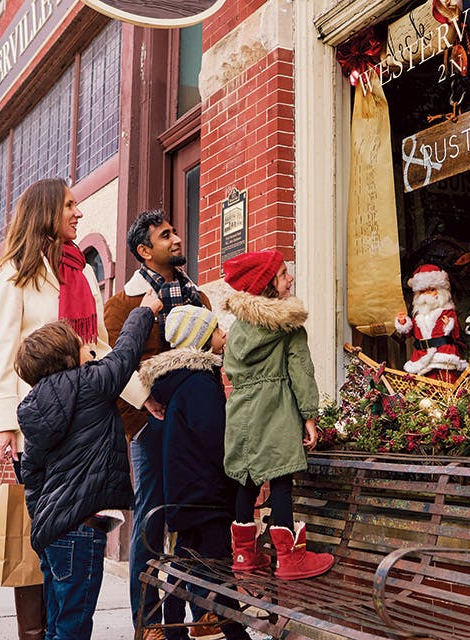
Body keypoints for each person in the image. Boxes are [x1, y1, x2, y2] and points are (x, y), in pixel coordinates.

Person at [0, 177, 151, 640]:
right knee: (49, 531)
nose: (79, 213)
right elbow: (2, 352)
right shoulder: (14, 272)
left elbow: (98, 348)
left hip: (81, 420)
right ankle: (39, 631)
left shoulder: (80, 273)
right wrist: (3, 426)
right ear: (47, 213)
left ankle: (59, 629)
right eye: (70, 205)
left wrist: (142, 396)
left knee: (69, 530)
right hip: (36, 424)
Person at [15, 292, 162, 640]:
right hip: (80, 531)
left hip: (51, 533)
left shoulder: (34, 406)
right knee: (74, 627)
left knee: (58, 624)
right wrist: (145, 310)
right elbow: (125, 354)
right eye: (84, 346)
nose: (92, 350)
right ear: (67, 357)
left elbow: (31, 475)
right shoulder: (90, 384)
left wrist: (44, 517)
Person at [103, 209, 211, 636]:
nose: (177, 239)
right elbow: (116, 364)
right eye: (166, 236)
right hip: (151, 429)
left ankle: (198, 612)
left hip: (197, 428)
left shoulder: (197, 297)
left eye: (175, 232)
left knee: (197, 516)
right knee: (151, 520)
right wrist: (144, 405)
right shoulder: (123, 303)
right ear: (145, 251)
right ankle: (147, 622)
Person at [221, 250, 335, 581]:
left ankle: (244, 554)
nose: (291, 278)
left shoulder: (239, 327)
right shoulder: (288, 327)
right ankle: (289, 558)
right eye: (284, 273)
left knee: (247, 478)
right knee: (282, 477)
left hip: (241, 411)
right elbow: (301, 370)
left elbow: (230, 370)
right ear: (270, 283)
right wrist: (309, 416)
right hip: (275, 408)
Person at [138, 305, 250, 640]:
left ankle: (171, 629)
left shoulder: (179, 381)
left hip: (185, 493)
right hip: (206, 494)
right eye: (216, 330)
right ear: (201, 338)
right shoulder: (200, 382)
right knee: (216, 569)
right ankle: (232, 633)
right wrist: (236, 474)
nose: (223, 335)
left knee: (185, 562)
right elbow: (214, 437)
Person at [394, 264, 467, 382]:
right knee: (425, 387)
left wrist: (449, 325)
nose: (427, 294)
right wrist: (403, 322)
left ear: (440, 291)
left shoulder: (447, 311)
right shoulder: (418, 315)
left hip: (443, 355)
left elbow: (456, 334)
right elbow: (409, 332)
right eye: (423, 291)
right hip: (421, 356)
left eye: (432, 290)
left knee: (446, 382)